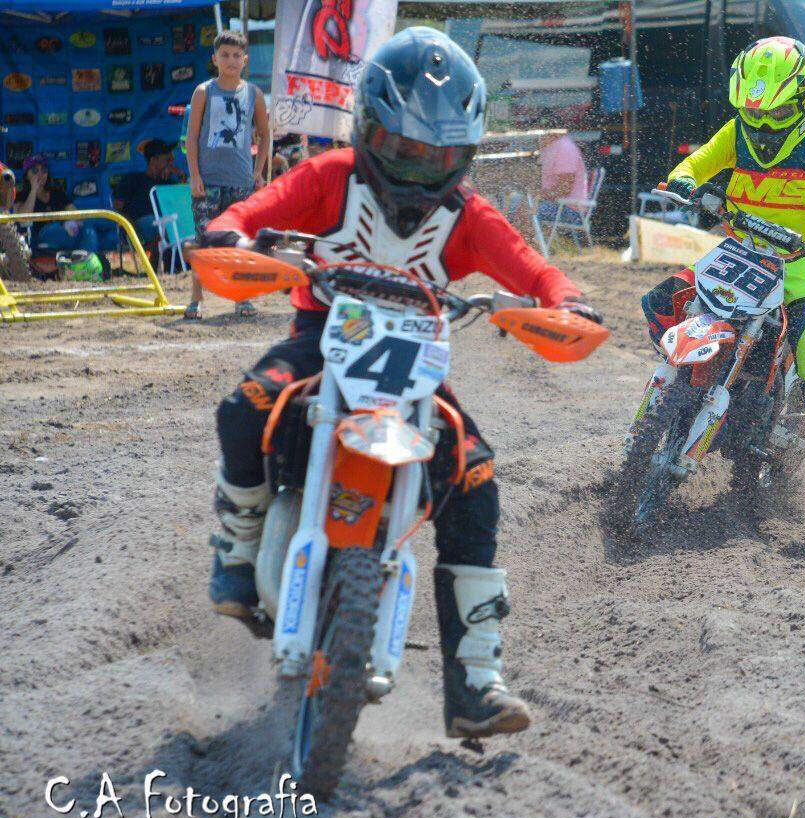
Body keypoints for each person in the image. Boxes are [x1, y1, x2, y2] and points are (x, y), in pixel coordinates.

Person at [202, 28, 601, 739]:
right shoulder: (329, 178)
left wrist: (563, 298)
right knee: (245, 406)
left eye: (440, 155)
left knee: (476, 484)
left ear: (466, 154)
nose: (420, 169)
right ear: (368, 130)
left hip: (412, 365)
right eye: (404, 149)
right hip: (321, 339)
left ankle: (476, 678)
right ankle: (237, 554)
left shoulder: (469, 216)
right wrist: (230, 231)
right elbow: (253, 212)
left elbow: (533, 270)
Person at [638, 36, 805, 491]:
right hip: (737, 253)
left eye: (774, 113)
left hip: (796, 263)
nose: (763, 124)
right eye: (754, 112)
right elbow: (694, 165)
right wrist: (684, 182)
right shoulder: (736, 133)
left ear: (803, 100)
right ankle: (673, 387)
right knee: (660, 299)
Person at [185, 29, 269, 320]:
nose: (231, 60)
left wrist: (258, 174)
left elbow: (265, 135)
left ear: (245, 59)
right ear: (215, 59)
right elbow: (192, 137)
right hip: (207, 182)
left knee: (240, 243)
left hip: (241, 182)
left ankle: (241, 297)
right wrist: (194, 174)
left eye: (236, 55)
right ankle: (196, 299)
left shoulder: (254, 94)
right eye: (225, 55)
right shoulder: (203, 91)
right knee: (203, 241)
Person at [14, 155, 100, 259]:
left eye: (44, 170)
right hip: (41, 235)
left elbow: (75, 214)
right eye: (35, 171)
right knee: (85, 232)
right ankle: (84, 262)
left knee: (89, 230)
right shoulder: (21, 196)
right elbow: (23, 219)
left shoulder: (56, 192)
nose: (40, 174)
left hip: (66, 229)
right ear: (27, 175)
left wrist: (70, 223)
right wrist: (34, 190)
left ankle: (83, 263)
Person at [113, 139, 184, 246]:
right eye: (167, 160)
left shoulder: (169, 182)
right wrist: (130, 227)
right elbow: (117, 209)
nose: (170, 163)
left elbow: (184, 203)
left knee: (185, 223)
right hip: (140, 225)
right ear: (153, 160)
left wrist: (179, 173)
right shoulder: (133, 179)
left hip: (168, 223)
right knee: (155, 221)